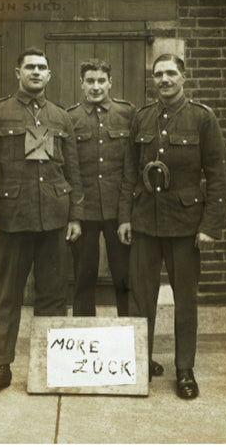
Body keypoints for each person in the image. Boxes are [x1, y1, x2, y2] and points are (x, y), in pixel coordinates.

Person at [0, 48, 83, 401]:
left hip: (53, 218)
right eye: (30, 67)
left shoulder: (61, 117)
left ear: (50, 75)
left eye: (43, 68)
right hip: (13, 219)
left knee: (53, 295)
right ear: (18, 71)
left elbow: (73, 171)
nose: (37, 72)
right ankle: (2, 367)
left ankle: (52, 365)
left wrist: (75, 216)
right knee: (8, 295)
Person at [118, 54, 226, 398]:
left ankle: (184, 370)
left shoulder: (202, 118)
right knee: (141, 298)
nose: (164, 79)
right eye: (159, 74)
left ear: (183, 77)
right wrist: (124, 217)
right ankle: (139, 364)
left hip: (185, 225)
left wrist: (210, 224)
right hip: (144, 225)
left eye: (170, 73)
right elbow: (129, 172)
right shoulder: (142, 118)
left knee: (185, 300)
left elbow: (217, 174)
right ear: (153, 80)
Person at [68, 58, 163, 378]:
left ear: (111, 83)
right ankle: (83, 361)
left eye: (101, 80)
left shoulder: (128, 114)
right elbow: (72, 171)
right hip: (84, 214)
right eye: (90, 80)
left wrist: (126, 218)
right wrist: (76, 216)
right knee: (83, 281)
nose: (95, 86)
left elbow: (132, 169)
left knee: (127, 282)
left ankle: (133, 354)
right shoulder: (71, 118)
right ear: (81, 84)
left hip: (119, 214)